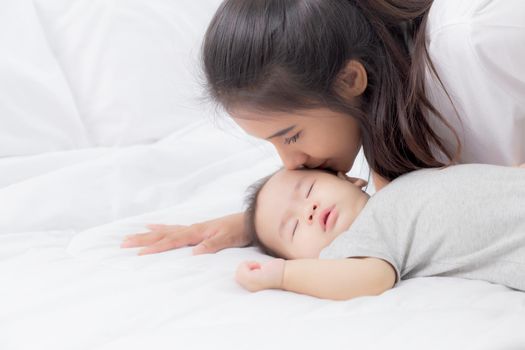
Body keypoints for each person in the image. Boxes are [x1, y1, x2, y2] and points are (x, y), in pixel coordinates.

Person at [120, 0, 525, 256]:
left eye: (290, 136)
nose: (290, 163)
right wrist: (263, 225)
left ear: (350, 80)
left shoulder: (479, 34)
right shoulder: (393, 110)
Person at [235, 165, 525, 300]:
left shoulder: (397, 183)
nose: (307, 211)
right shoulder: (357, 243)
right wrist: (284, 275)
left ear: (350, 179)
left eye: (308, 189)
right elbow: (372, 278)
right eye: (294, 228)